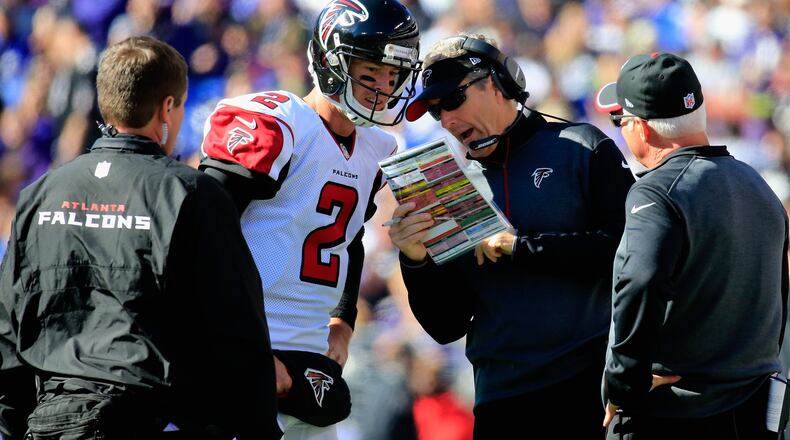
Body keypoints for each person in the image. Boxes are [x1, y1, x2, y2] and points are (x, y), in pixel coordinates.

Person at [0, 36, 282, 440]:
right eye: (181, 106)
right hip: (150, 418)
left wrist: (10, 427)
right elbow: (239, 335)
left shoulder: (40, 193)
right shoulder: (191, 194)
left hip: (49, 421)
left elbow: (8, 334)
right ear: (167, 106)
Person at [386, 33, 635, 438]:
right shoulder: (453, 186)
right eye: (435, 113)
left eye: (452, 100)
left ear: (496, 82)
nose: (446, 120)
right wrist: (416, 261)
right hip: (500, 401)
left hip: (588, 389)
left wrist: (522, 248)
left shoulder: (581, 147)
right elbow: (446, 324)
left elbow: (626, 254)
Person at [197, 0, 421, 438]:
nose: (383, 88)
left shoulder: (375, 149)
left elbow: (349, 240)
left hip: (311, 362)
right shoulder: (282, 123)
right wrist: (239, 345)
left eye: (392, 76)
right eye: (370, 74)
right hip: (246, 349)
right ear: (329, 62)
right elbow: (204, 230)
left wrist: (344, 320)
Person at [595, 52, 789, 439]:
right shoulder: (759, 185)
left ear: (641, 128)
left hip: (679, 415)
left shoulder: (657, 191)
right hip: (751, 409)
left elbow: (639, 284)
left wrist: (622, 385)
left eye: (620, 121)